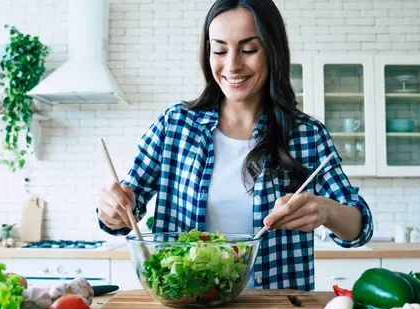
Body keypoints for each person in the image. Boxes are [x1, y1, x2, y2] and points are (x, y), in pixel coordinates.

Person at [97, 0, 373, 291]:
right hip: (185, 308)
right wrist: (111, 210)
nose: (232, 65)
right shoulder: (174, 126)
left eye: (248, 49)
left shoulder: (306, 135)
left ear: (272, 52)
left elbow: (360, 227)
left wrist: (326, 211)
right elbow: (125, 209)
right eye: (219, 50)